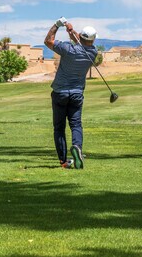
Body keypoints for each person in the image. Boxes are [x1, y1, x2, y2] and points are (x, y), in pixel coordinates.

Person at [44, 17, 98, 169]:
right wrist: (70, 30)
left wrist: (57, 25)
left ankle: (63, 162)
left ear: (80, 36)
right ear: (93, 40)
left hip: (60, 93)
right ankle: (77, 147)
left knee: (59, 128)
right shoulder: (92, 52)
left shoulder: (68, 49)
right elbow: (80, 43)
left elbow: (48, 41)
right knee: (76, 125)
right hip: (76, 94)